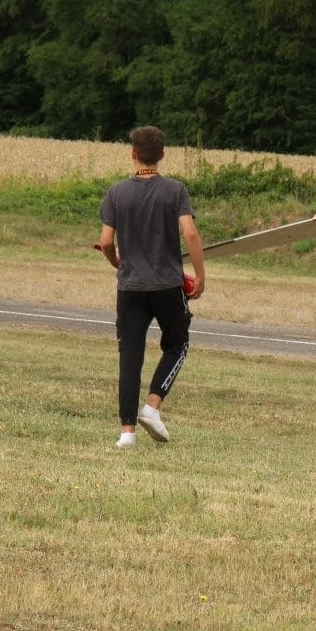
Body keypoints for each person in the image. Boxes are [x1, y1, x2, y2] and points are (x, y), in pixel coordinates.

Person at [95, 126, 205, 448]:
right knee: (178, 344)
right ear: (162, 155)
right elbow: (190, 234)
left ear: (133, 153)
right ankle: (152, 406)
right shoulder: (176, 190)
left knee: (130, 356)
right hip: (167, 285)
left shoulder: (116, 193)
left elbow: (106, 241)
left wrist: (116, 262)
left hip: (130, 288)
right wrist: (200, 276)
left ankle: (127, 433)